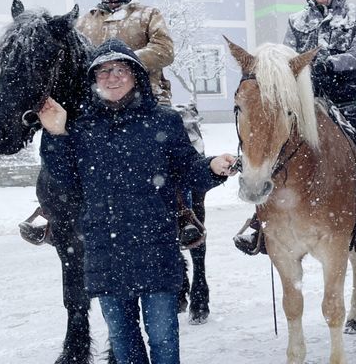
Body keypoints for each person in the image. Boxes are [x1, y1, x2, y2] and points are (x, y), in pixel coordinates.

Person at [38, 38, 237, 364]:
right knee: (123, 342)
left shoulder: (164, 120)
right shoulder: (80, 127)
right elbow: (64, 181)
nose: (112, 77)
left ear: (135, 75)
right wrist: (56, 134)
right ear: (93, 79)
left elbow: (187, 170)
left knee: (162, 340)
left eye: (119, 69)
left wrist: (212, 167)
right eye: (102, 72)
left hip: (155, 247)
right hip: (105, 254)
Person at [233, 0, 356, 254]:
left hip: (346, 101)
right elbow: (287, 58)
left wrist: (327, 64)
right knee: (275, 145)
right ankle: (259, 219)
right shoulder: (296, 22)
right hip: (306, 102)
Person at [76, 0, 175, 105]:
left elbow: (164, 50)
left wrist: (125, 62)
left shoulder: (148, 15)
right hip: (99, 105)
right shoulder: (84, 22)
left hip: (147, 100)